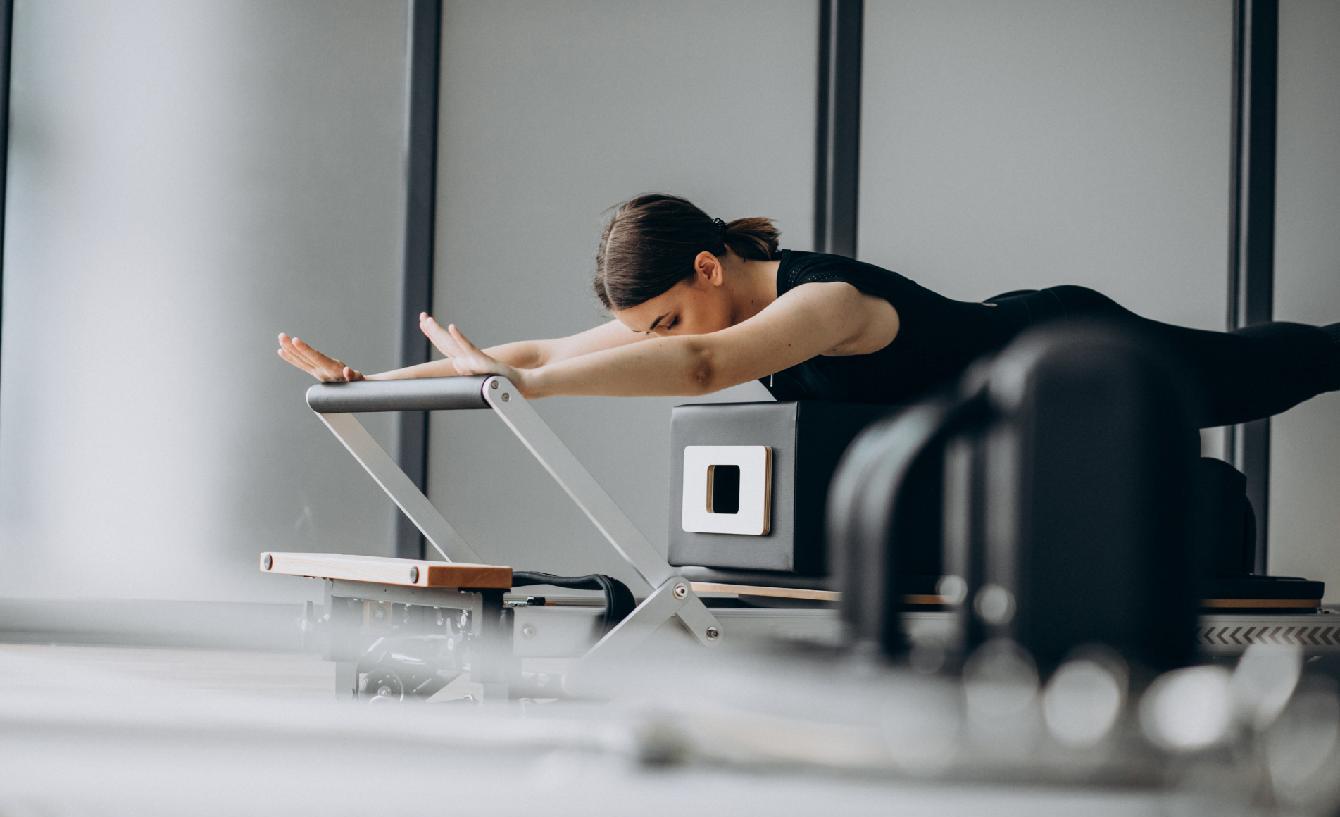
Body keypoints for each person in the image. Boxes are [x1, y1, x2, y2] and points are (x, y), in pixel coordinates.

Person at [277, 193, 1340, 428]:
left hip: (1069, 349)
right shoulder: (697, 308)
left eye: (656, 318)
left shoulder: (820, 301)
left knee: (1265, 372)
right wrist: (371, 381)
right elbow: (535, 346)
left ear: (705, 267)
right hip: (1017, 400)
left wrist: (525, 386)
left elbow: (699, 370)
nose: (650, 341)